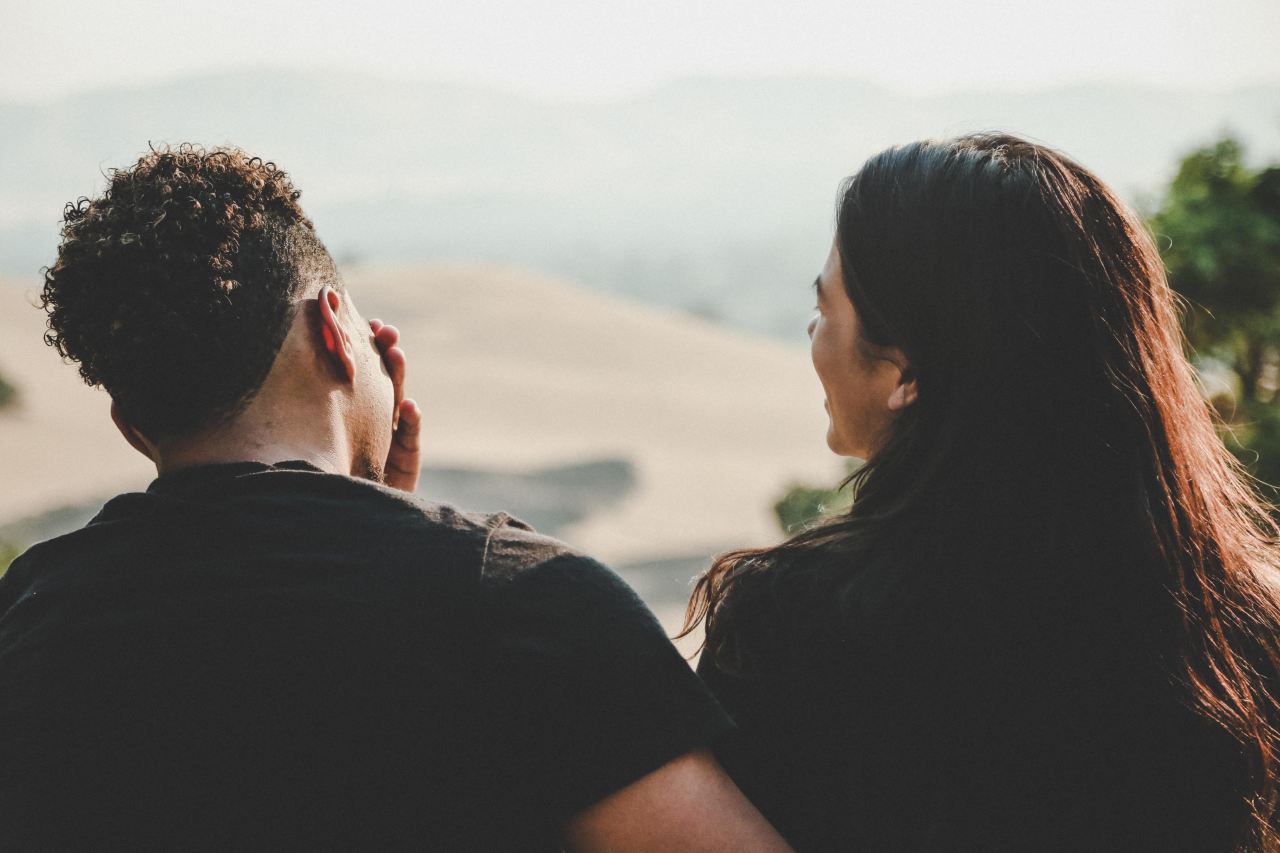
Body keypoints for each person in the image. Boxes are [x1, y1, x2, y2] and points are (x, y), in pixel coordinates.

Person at [0, 144, 787, 852]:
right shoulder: (525, 604)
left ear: (134, 426)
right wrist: (392, 529)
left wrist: (370, 511)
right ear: (337, 330)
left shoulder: (32, 613)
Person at [684, 133, 1280, 852]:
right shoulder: (1238, 624)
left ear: (905, 374)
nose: (814, 329)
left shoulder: (793, 626)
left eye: (828, 307)